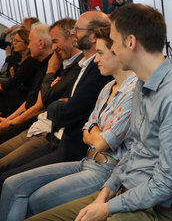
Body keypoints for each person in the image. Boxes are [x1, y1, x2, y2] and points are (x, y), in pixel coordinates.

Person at [12, 3, 172, 221]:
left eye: (113, 42)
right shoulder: (142, 83)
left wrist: (106, 209)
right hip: (128, 195)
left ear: (130, 42)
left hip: (161, 215)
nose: (109, 49)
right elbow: (134, 151)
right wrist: (106, 193)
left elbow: (167, 184)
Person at [0, 27, 137, 221]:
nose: (96, 58)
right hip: (87, 160)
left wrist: (93, 132)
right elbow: (88, 127)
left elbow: (103, 141)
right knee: (12, 183)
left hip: (108, 170)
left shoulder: (134, 89)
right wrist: (94, 132)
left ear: (119, 54)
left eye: (102, 53)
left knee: (33, 202)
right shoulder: (108, 88)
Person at [0, 12, 111, 187]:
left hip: (64, 142)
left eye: (77, 29)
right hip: (54, 135)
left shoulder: (93, 69)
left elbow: (51, 105)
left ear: (92, 36)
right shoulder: (79, 65)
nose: (73, 33)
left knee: (9, 181)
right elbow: (45, 100)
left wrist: (52, 80)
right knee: (6, 174)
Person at [0, 29, 39, 116]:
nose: (13, 43)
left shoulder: (31, 61)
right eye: (13, 40)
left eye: (16, 41)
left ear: (26, 44)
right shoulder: (20, 57)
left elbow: (15, 81)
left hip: (23, 98)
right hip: (19, 92)